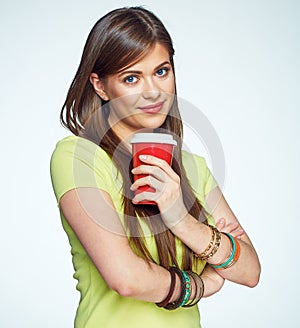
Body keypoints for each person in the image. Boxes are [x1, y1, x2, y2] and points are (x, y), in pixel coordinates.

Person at [50, 6, 260, 328]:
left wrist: (180, 218)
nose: (153, 92)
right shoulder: (79, 157)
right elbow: (126, 278)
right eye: (131, 77)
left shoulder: (193, 167)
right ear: (100, 85)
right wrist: (202, 283)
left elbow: (249, 271)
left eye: (161, 71)